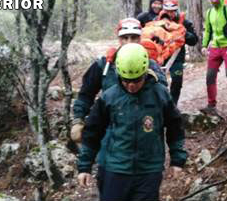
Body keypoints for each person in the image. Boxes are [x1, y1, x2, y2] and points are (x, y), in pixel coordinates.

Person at [77, 43, 187, 201]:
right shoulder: (109, 97)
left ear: (145, 72)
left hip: (148, 170)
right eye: (126, 80)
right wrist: (84, 166)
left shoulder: (160, 95)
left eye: (136, 80)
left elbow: (175, 127)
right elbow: (92, 132)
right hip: (115, 169)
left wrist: (177, 160)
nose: (131, 86)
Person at [70, 18, 167, 143]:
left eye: (134, 37)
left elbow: (164, 96)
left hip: (143, 129)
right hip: (111, 129)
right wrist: (78, 119)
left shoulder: (150, 64)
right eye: (125, 38)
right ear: (119, 39)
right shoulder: (103, 66)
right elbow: (86, 94)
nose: (129, 42)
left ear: (140, 39)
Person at [157, 0, 198, 106]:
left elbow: (194, 40)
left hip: (177, 58)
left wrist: (184, 33)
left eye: (172, 11)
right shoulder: (158, 21)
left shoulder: (185, 23)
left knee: (177, 80)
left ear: (176, 10)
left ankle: (173, 105)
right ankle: (161, 105)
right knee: (159, 82)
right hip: (161, 57)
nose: (170, 14)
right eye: (167, 11)